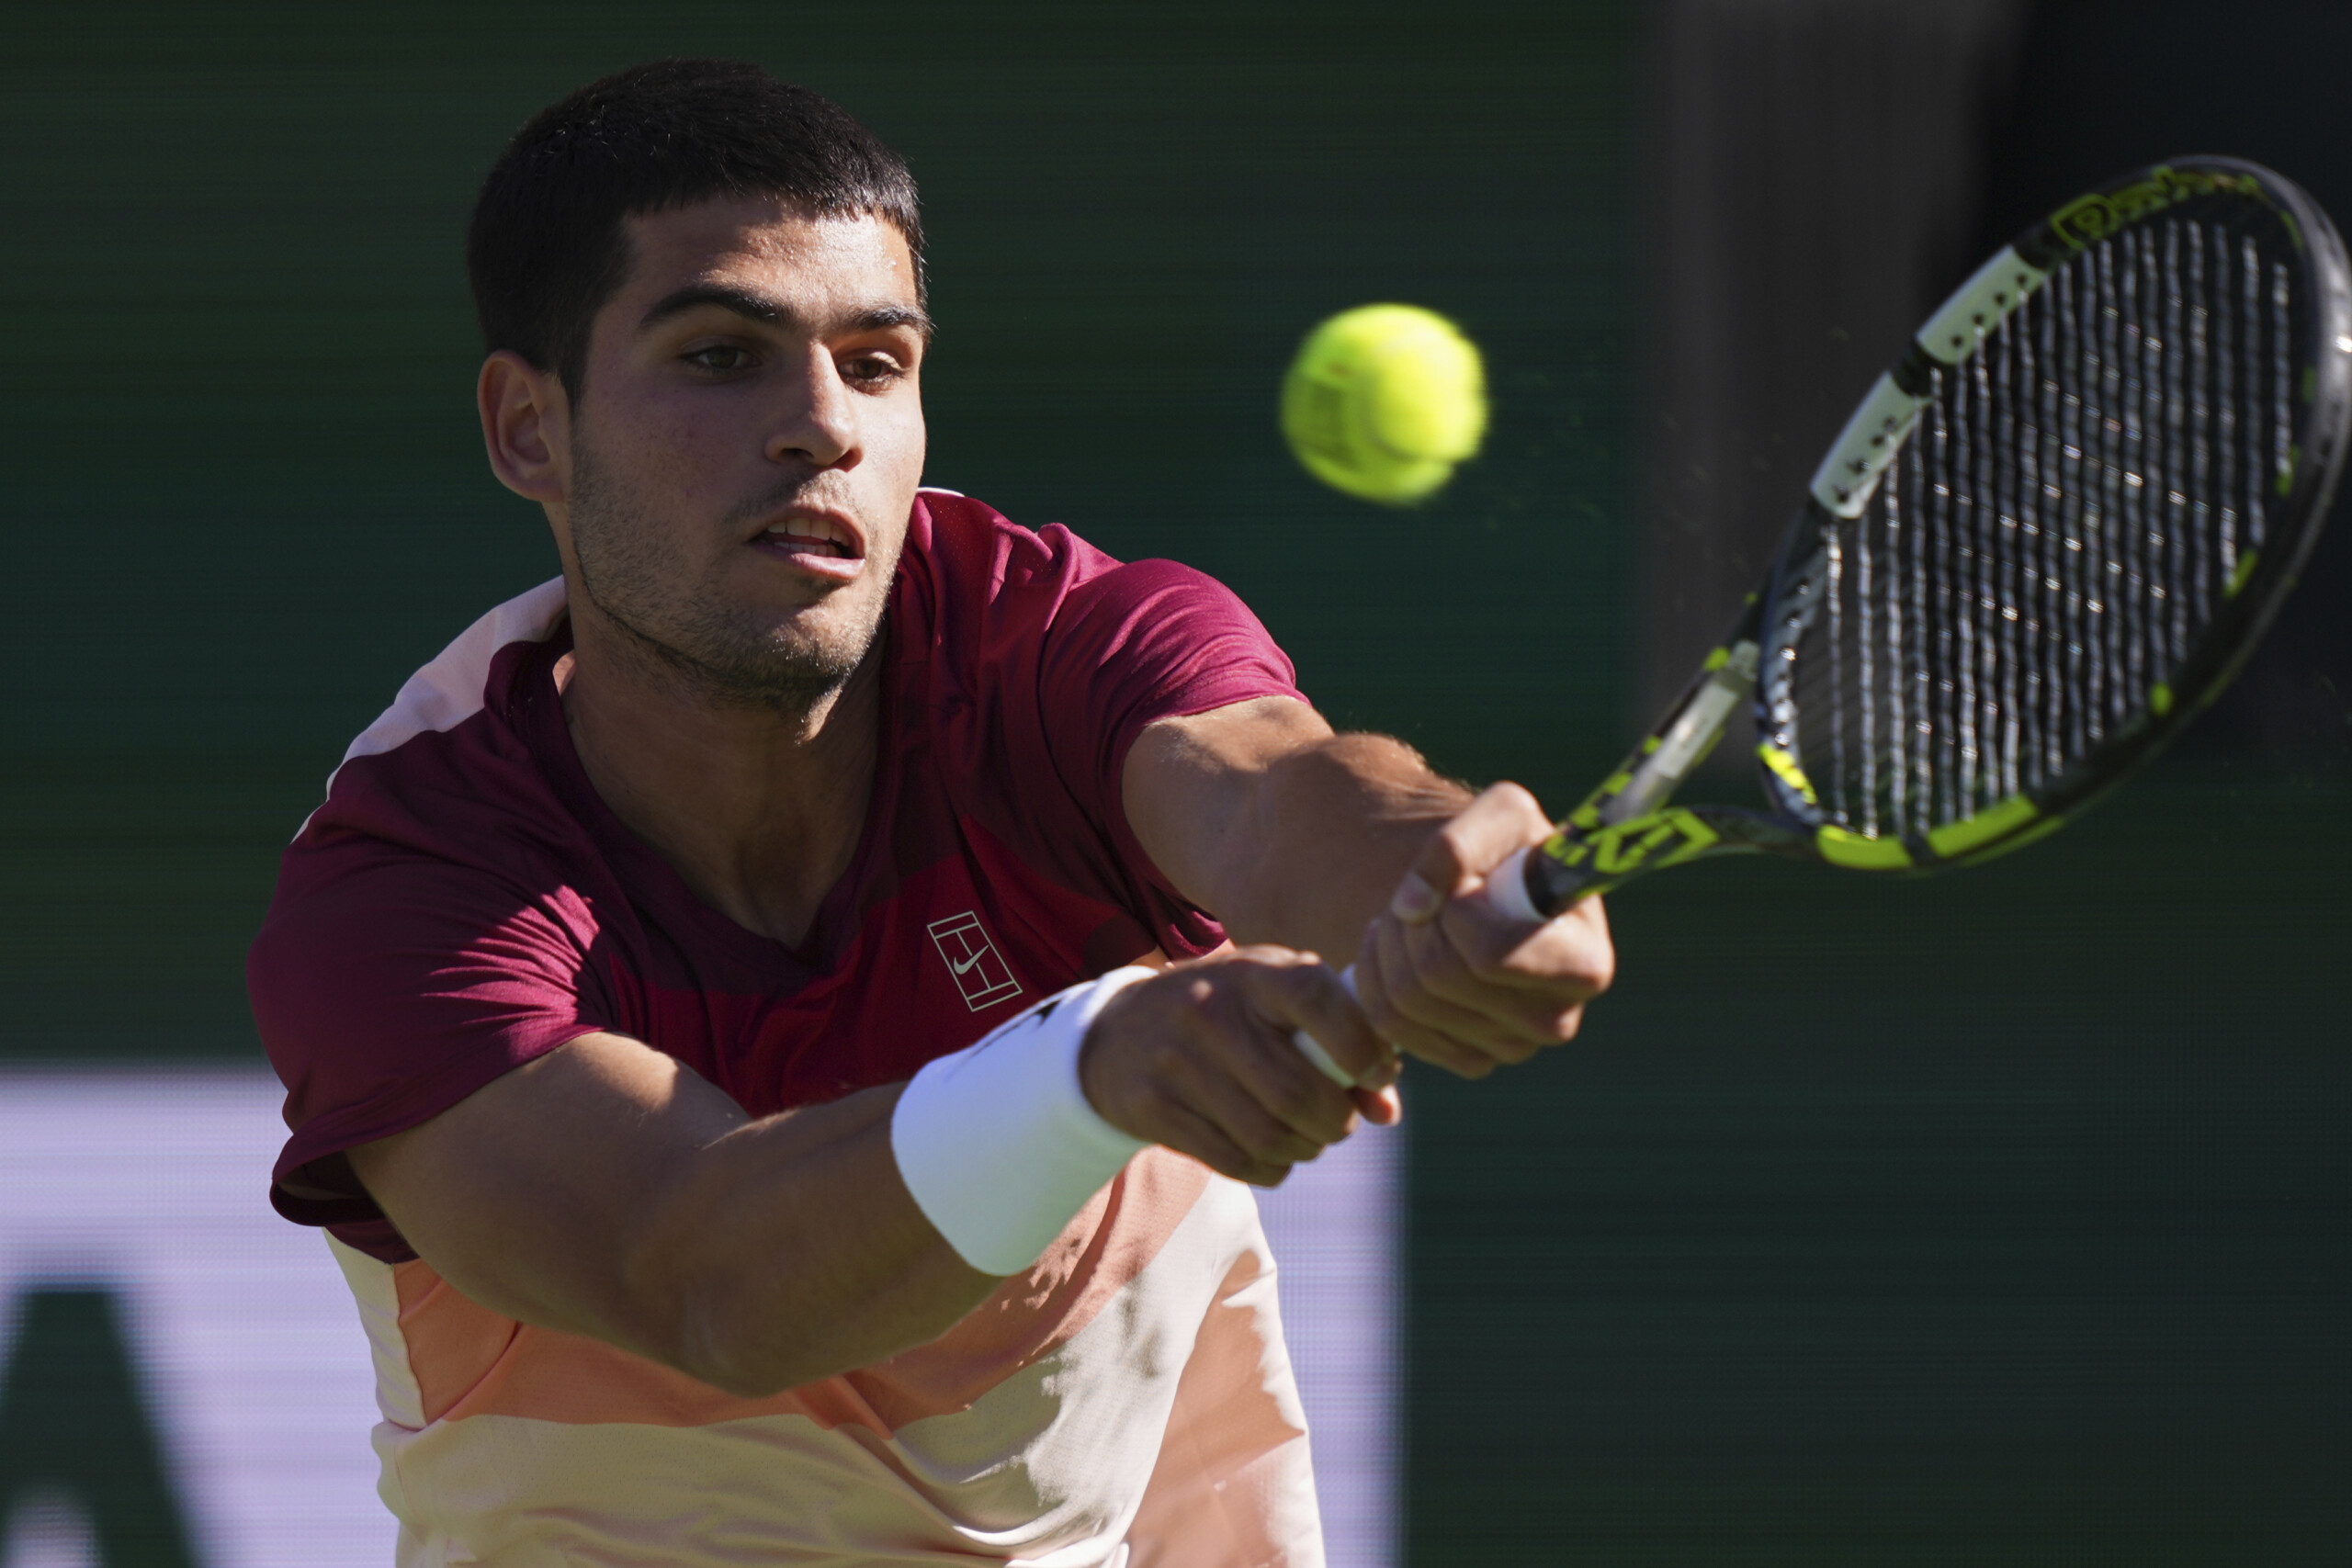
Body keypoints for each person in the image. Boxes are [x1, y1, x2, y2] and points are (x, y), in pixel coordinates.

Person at [248, 58, 1614, 1568]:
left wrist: (1434, 871)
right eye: (721, 356)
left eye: (878, 363)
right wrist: (1092, 1069)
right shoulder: (408, 893)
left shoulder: (1067, 652)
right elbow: (703, 1274)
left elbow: (1276, 791)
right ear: (531, 430)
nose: (822, 426)